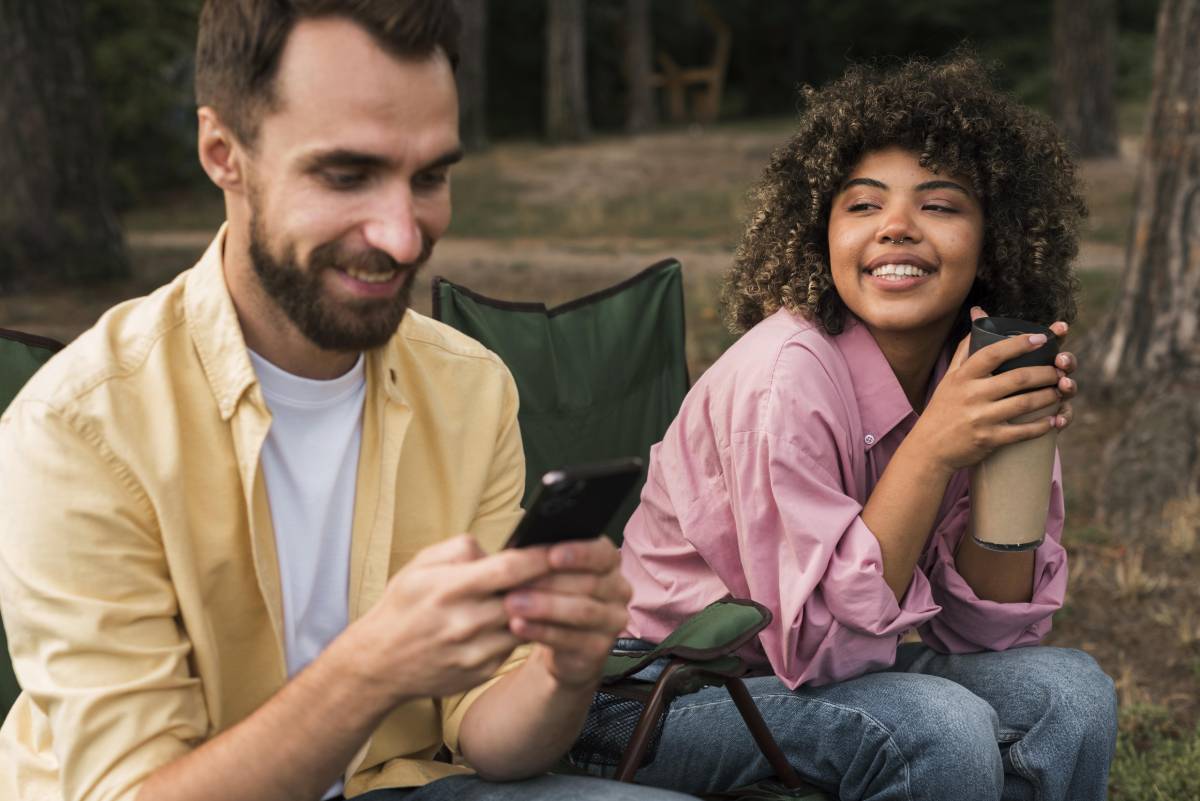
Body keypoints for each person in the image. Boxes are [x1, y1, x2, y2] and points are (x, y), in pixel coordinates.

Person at [0, 3, 694, 801]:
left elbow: (488, 731)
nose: (404, 236)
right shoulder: (82, 426)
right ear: (223, 153)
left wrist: (564, 670)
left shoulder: (470, 387)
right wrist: (372, 666)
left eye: (429, 176)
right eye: (346, 174)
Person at [570, 55, 1118, 800]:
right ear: (818, 234)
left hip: (813, 680)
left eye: (941, 205)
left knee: (1073, 697)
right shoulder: (783, 375)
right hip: (654, 692)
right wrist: (932, 448)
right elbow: (818, 647)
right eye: (862, 206)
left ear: (996, 239)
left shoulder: (970, 372)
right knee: (938, 723)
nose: (896, 227)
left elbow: (987, 634)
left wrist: (1007, 456)